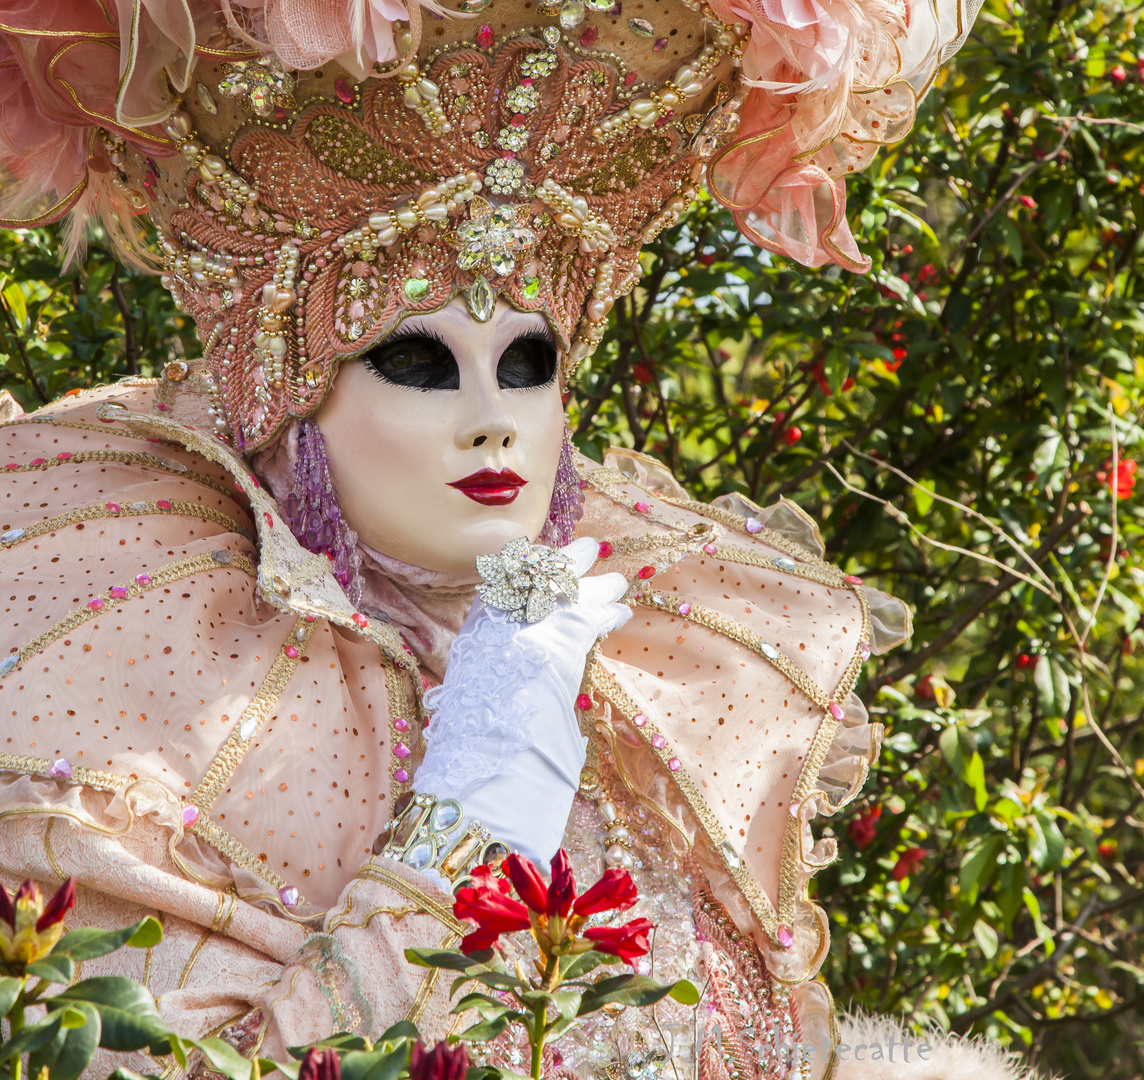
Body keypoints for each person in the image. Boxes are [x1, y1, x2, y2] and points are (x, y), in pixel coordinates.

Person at [0, 0, 1014, 1077]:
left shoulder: (637, 683)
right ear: (289, 393)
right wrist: (478, 799)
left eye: (527, 363)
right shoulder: (139, 670)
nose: (493, 417)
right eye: (419, 363)